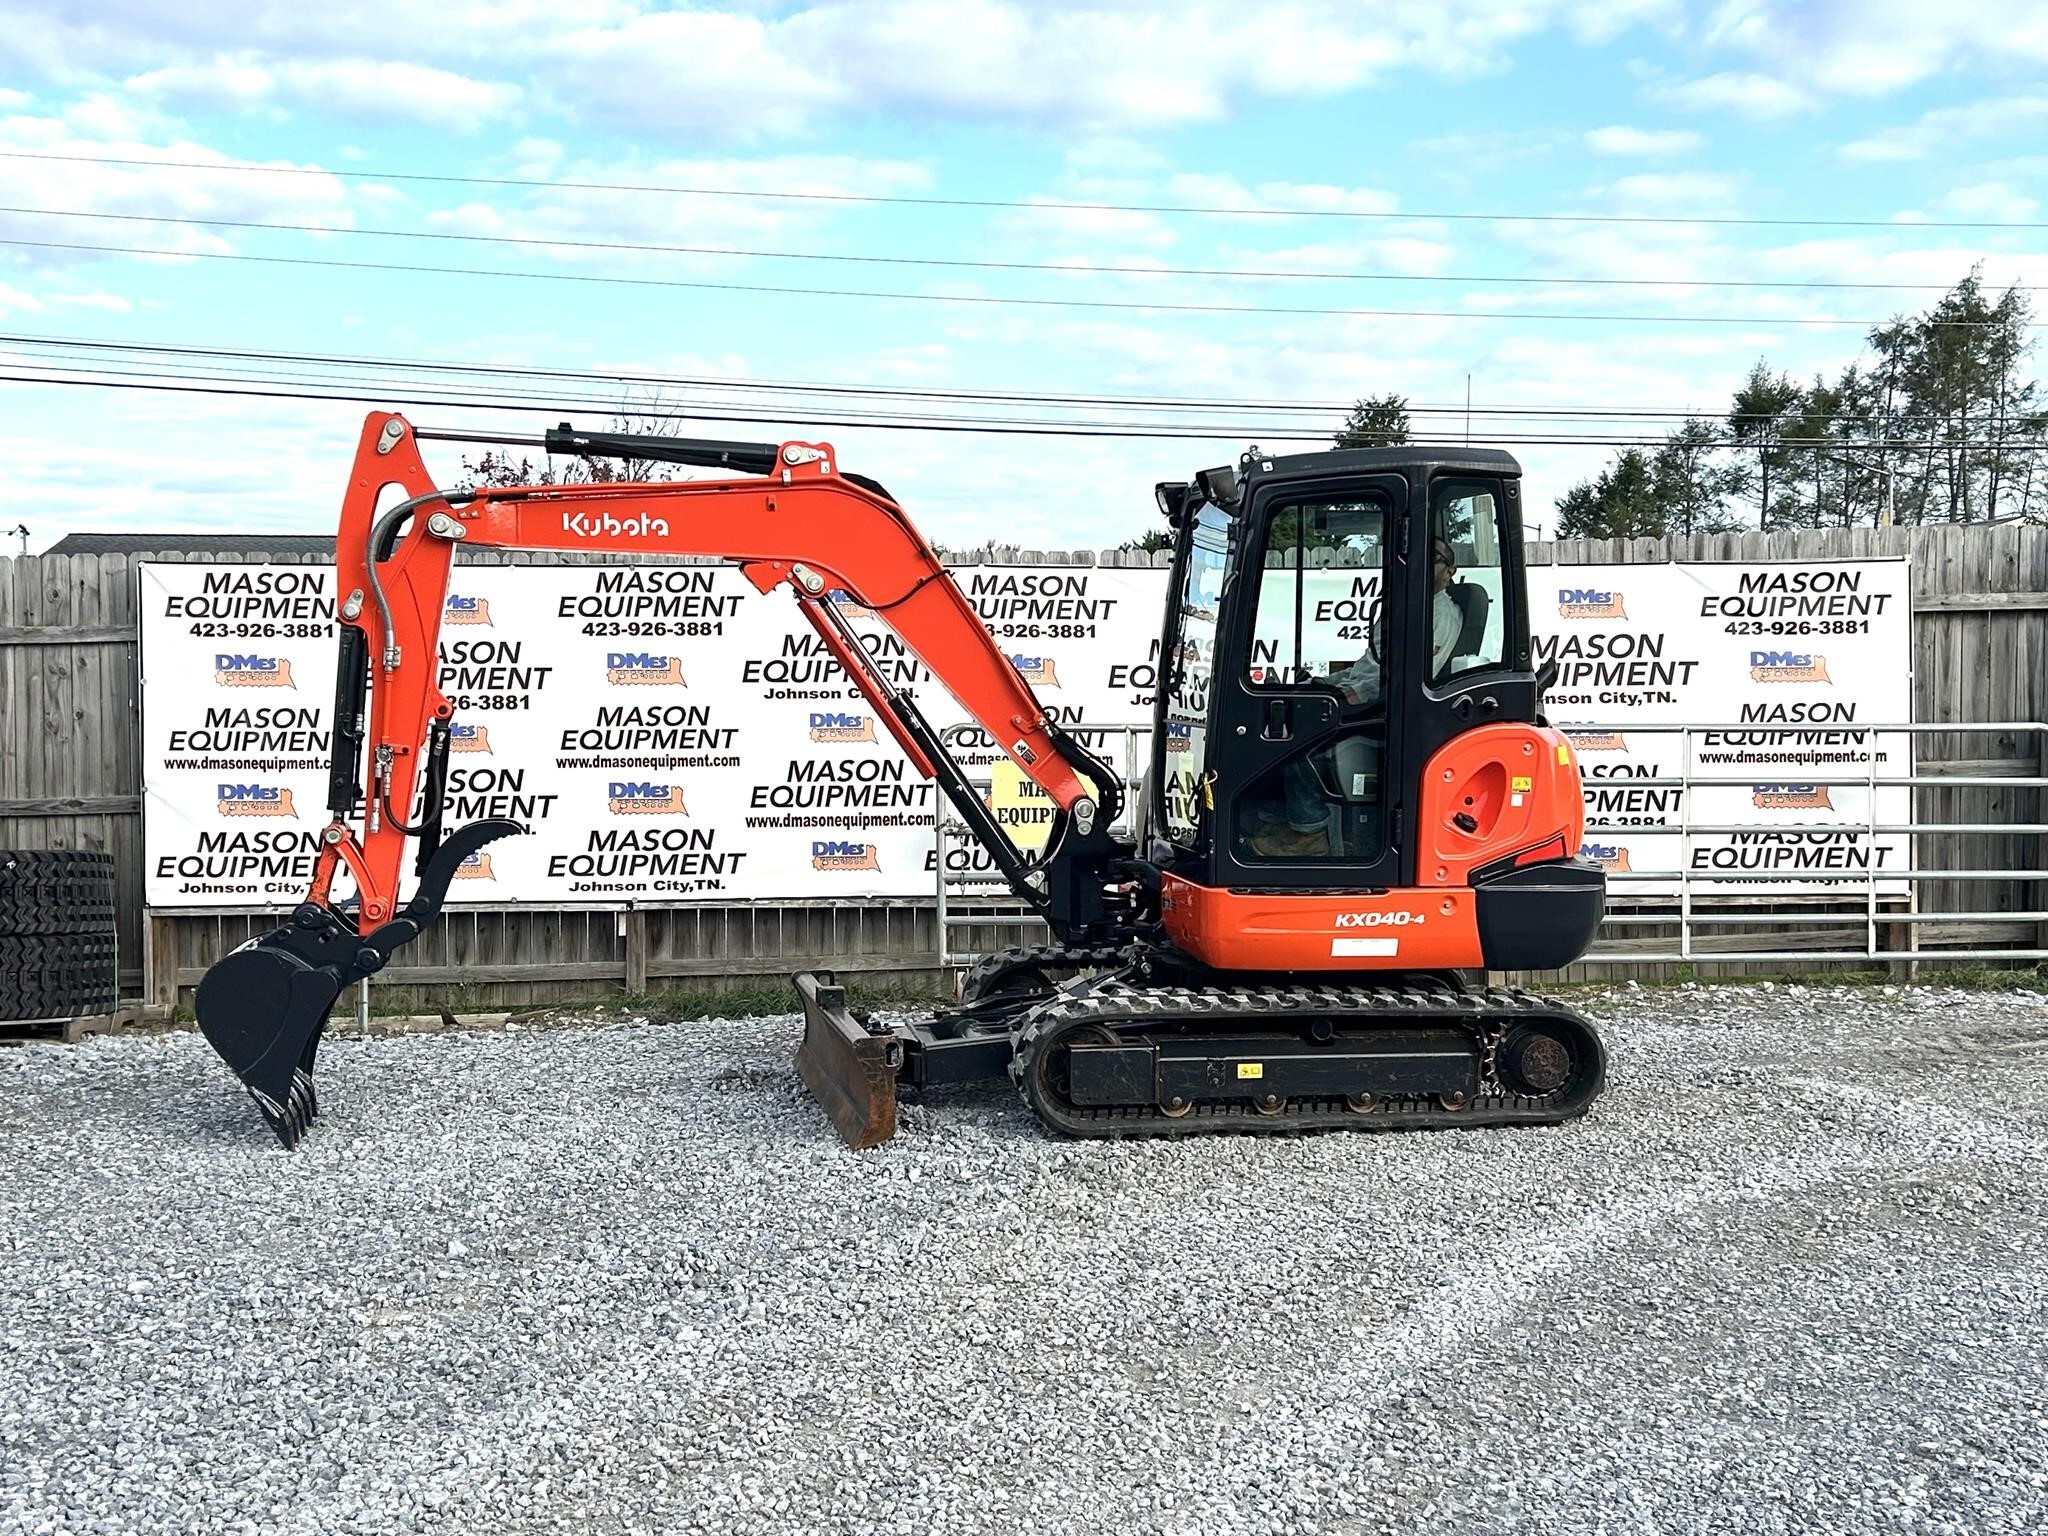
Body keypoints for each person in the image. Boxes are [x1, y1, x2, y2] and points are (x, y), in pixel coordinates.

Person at [1245, 536, 1468, 858]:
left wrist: (1355, 693)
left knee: (1296, 743)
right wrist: (1324, 683)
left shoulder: (1439, 616)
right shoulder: (1409, 609)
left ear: (1450, 570)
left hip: (1385, 710)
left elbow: (1411, 676)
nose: (1420, 562)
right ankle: (1282, 821)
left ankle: (1309, 834)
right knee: (1284, 711)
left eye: (1432, 557)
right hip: (1370, 697)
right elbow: (1369, 665)